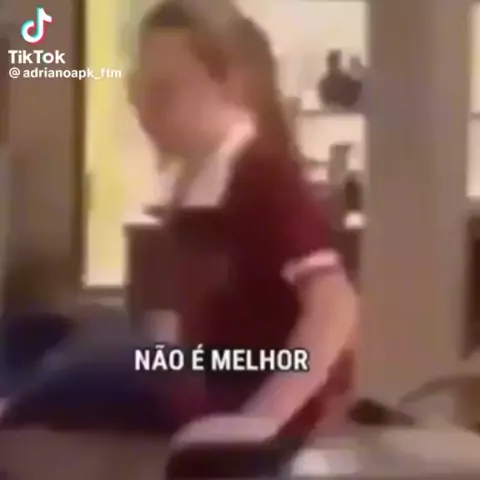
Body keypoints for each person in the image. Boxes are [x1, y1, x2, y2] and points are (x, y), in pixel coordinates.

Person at [2, 0, 358, 455]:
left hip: (235, 382)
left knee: (59, 368)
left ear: (229, 87)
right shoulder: (203, 178)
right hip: (195, 372)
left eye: (165, 91)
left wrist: (263, 417)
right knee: (42, 332)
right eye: (138, 89)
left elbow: (335, 306)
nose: (143, 109)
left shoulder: (263, 177)